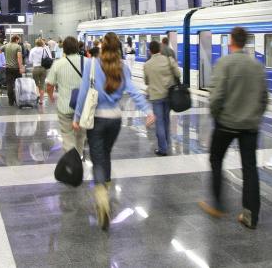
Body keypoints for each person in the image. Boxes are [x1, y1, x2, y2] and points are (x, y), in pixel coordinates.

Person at [73, 32, 155, 231]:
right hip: (115, 120)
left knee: (98, 157)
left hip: (96, 119)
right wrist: (148, 110)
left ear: (102, 46)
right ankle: (106, 190)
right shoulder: (122, 67)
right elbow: (134, 92)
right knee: (105, 155)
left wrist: (76, 118)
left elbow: (84, 93)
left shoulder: (92, 64)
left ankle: (101, 196)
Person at [198, 27, 268, 230]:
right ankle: (251, 215)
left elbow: (216, 96)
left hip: (226, 124)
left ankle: (218, 205)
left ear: (231, 41)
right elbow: (264, 98)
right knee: (250, 168)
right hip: (250, 126)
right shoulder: (257, 65)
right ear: (245, 42)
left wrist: (217, 116)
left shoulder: (224, 63)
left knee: (216, 158)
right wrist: (255, 115)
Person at [46, 37, 86, 155]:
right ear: (77, 47)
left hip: (65, 106)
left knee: (68, 137)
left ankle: (71, 163)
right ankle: (78, 157)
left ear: (64, 49)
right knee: (80, 136)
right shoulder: (87, 62)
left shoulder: (58, 64)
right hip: (83, 106)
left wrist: (51, 96)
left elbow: (49, 84)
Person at [143, 40, 180, 156]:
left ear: (150, 51)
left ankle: (162, 149)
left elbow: (146, 81)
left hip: (155, 96)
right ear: (160, 49)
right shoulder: (168, 60)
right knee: (166, 120)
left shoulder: (147, 65)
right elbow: (178, 74)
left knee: (159, 122)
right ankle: (167, 144)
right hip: (168, 95)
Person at [1, 36, 25, 106]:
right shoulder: (18, 47)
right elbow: (19, 57)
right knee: (19, 84)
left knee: (9, 85)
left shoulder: (6, 46)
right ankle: (19, 99)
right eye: (18, 40)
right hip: (16, 68)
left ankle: (10, 101)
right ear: (16, 39)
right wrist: (21, 67)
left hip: (8, 68)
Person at [29, 39, 51, 104]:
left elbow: (30, 60)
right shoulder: (45, 49)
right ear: (42, 43)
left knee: (35, 84)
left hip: (35, 68)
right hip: (43, 68)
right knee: (42, 84)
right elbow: (50, 57)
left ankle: (37, 96)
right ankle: (41, 100)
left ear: (36, 43)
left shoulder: (32, 50)